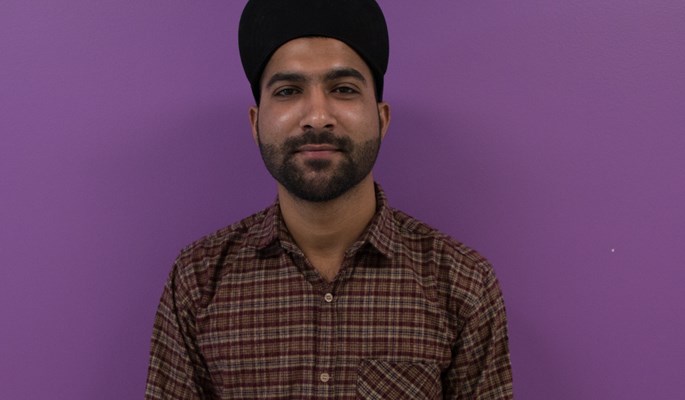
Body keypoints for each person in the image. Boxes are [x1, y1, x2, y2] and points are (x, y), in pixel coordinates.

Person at [145, 0, 513, 398]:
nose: (317, 115)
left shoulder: (460, 283)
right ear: (256, 123)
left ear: (382, 117)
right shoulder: (198, 282)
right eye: (288, 91)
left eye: (343, 89)